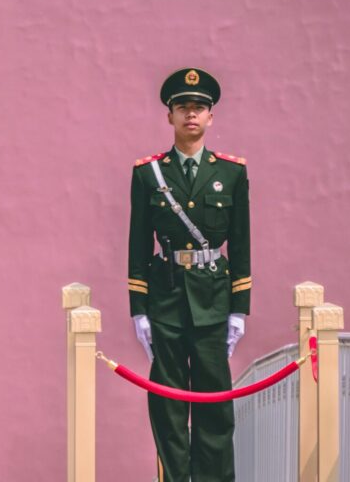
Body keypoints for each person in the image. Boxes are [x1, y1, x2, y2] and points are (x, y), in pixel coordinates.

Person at [127, 67, 251, 482]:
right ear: (170, 116)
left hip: (214, 299)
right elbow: (139, 244)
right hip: (166, 299)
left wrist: (239, 309)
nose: (191, 114)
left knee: (215, 405)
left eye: (199, 107)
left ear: (211, 116)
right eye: (182, 107)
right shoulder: (149, 173)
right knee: (169, 406)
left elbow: (242, 242)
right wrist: (139, 309)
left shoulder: (231, 173)